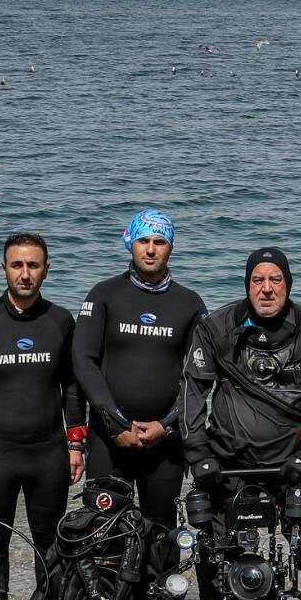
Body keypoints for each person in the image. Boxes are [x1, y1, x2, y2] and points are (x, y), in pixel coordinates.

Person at [181, 247, 301, 600]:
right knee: (213, 554)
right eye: (257, 280)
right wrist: (198, 452)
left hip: (292, 463)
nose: (267, 289)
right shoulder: (217, 326)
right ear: (247, 285)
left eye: (276, 280)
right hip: (229, 462)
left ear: (288, 285)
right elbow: (192, 393)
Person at [0, 233, 85, 600]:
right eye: (17, 265)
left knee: (49, 542)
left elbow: (73, 387)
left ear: (46, 269)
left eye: (33, 265)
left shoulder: (61, 321)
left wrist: (76, 444)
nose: (25, 274)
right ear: (4, 269)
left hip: (49, 455)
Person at [75, 209, 207, 561]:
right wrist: (115, 423)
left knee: (161, 533)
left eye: (159, 242)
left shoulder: (189, 303)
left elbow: (200, 377)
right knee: (102, 531)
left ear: (170, 248)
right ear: (129, 243)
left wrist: (167, 425)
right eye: (143, 241)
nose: (151, 249)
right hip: (108, 439)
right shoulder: (104, 295)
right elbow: (83, 362)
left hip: (164, 443)